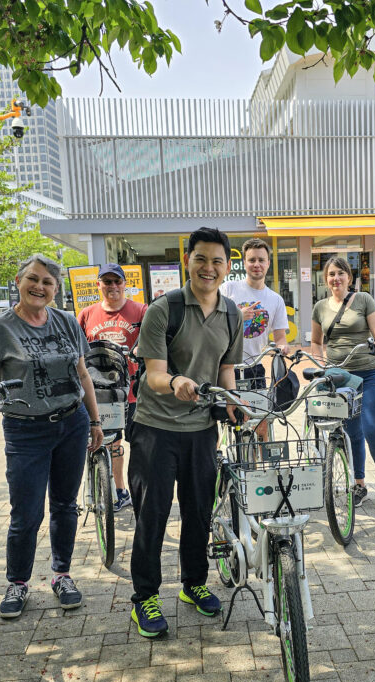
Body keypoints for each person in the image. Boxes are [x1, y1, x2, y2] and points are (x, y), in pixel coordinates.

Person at [0, 255, 103, 618]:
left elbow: (82, 375)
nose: (39, 287)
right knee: (26, 512)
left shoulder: (65, 321)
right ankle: (17, 582)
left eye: (48, 282)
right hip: (25, 430)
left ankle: (62, 574)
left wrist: (94, 421)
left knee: (65, 505)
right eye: (33, 279)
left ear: (56, 289)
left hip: (71, 423)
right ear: (18, 281)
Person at [128, 227, 243, 638]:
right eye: (200, 259)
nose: (208, 268)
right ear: (188, 261)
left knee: (198, 513)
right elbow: (154, 374)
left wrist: (232, 401)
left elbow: (225, 367)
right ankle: (144, 597)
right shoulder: (164, 309)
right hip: (155, 429)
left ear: (228, 266)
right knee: (152, 515)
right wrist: (176, 381)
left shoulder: (232, 313)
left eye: (216, 261)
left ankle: (194, 584)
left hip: (201, 430)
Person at [310, 256, 375, 508]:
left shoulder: (364, 299)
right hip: (341, 377)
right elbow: (316, 342)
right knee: (352, 433)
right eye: (331, 274)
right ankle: (359, 484)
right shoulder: (320, 307)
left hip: (370, 373)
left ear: (350, 277)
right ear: (326, 280)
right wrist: (320, 364)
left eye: (341, 274)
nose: (336, 279)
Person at [77, 264, 147, 510]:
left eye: (117, 281)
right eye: (107, 282)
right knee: (110, 443)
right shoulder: (86, 314)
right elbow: (77, 350)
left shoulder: (140, 310)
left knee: (139, 445)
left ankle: (136, 492)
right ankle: (117, 491)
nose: (113, 286)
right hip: (101, 393)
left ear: (125, 283)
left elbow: (152, 341)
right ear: (99, 285)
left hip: (133, 392)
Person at [220, 237, 289, 390]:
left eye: (261, 260)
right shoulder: (227, 289)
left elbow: (280, 336)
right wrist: (238, 316)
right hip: (225, 367)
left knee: (258, 412)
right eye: (252, 260)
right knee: (224, 412)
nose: (256, 264)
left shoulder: (275, 300)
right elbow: (211, 322)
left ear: (268, 263)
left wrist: (283, 346)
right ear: (244, 263)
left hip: (255, 368)